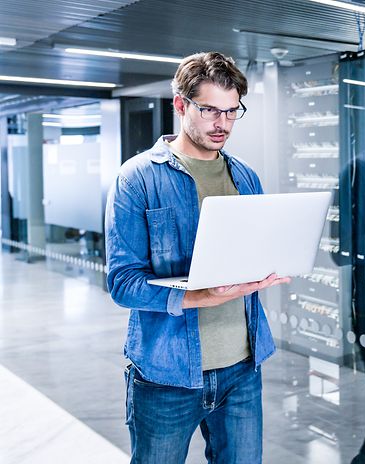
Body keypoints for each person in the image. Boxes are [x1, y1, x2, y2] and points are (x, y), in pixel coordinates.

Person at [105, 51, 289, 463]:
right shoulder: (137, 178)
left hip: (243, 367)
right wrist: (199, 296)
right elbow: (122, 283)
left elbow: (250, 254)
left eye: (232, 111)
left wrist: (271, 264)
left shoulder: (245, 177)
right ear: (181, 105)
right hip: (166, 374)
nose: (222, 123)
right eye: (209, 111)